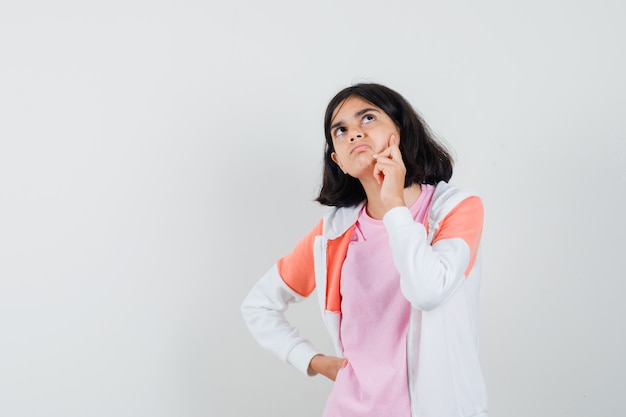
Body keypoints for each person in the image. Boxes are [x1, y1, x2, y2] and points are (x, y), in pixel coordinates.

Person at [241, 83, 488, 417]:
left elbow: (428, 291)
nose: (353, 133)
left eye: (367, 118)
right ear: (337, 160)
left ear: (400, 131)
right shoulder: (333, 232)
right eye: (340, 130)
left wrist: (394, 205)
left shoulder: (455, 209)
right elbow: (259, 305)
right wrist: (311, 361)